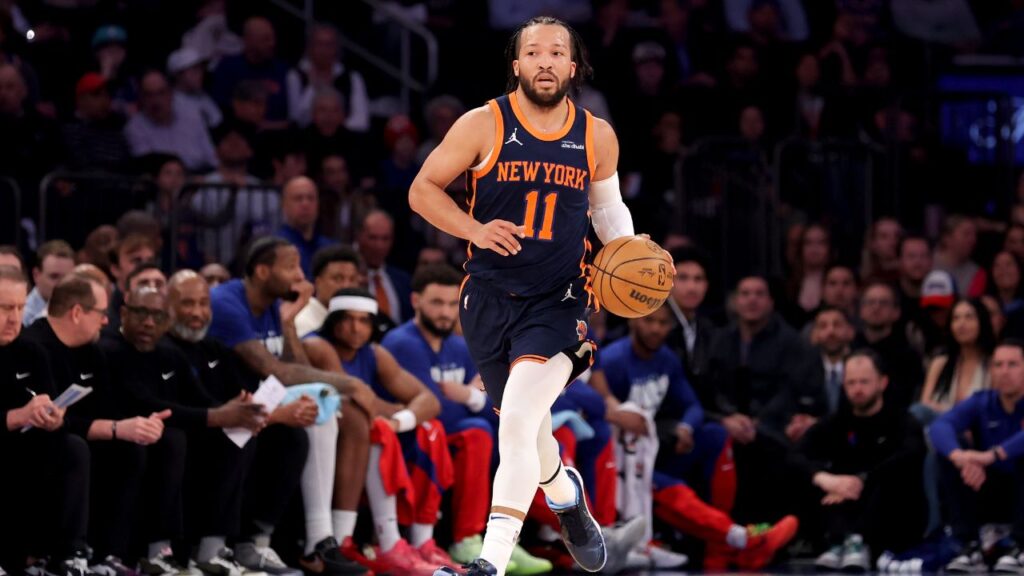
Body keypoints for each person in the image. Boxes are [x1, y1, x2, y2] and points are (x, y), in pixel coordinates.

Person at [410, 15, 644, 575]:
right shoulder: (482, 123)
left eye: (556, 52)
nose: (545, 61)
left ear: (572, 65)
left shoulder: (597, 134)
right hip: (487, 299)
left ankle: (487, 564)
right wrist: (473, 230)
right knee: (528, 428)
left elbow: (607, 211)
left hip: (560, 302)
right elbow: (422, 190)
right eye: (533, 52)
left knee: (515, 420)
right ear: (516, 65)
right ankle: (565, 495)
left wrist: (632, 252)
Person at [206, 236, 373, 575]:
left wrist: (288, 320)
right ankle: (309, 540)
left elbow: (293, 370)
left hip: (260, 401)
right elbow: (275, 370)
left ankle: (313, 540)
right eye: (291, 266)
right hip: (222, 402)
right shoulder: (227, 302)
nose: (301, 275)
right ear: (263, 271)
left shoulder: (271, 305)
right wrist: (348, 383)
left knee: (315, 410)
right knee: (302, 416)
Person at [590, 303, 798, 570]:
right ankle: (738, 539)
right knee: (667, 486)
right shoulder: (614, 360)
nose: (656, 329)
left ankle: (720, 545)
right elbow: (601, 409)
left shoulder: (666, 359)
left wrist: (686, 427)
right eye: (649, 321)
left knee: (715, 435)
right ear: (633, 322)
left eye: (663, 323)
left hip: (654, 446)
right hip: (622, 460)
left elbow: (693, 405)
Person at [379, 265, 551, 570]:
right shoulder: (402, 343)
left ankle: (500, 541)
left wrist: (469, 396)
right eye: (436, 303)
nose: (445, 313)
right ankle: (466, 538)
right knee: (476, 432)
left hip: (450, 437)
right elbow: (434, 408)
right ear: (415, 301)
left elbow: (497, 406)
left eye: (450, 304)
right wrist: (470, 399)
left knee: (507, 432)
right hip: (412, 439)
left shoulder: (460, 345)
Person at [101, 285, 276, 574]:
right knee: (173, 440)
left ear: (166, 322)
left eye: (157, 316)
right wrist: (218, 416)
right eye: (141, 313)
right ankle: (157, 553)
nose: (148, 322)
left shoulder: (169, 355)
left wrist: (237, 413)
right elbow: (144, 402)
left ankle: (212, 550)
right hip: (124, 436)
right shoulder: (111, 349)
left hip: (171, 438)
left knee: (235, 437)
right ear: (123, 313)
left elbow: (199, 399)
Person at [22, 274, 178, 572]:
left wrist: (137, 425)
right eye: (101, 313)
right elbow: (53, 421)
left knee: (133, 448)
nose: (106, 322)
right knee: (73, 447)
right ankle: (65, 553)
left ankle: (111, 554)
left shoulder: (92, 350)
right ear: (77, 312)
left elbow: (107, 408)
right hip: (40, 441)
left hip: (78, 437)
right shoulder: (35, 346)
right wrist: (115, 428)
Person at [166, 270, 311, 574]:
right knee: (231, 436)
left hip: (218, 428)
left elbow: (244, 395)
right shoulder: (162, 349)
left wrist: (268, 411)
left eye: (204, 304)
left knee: (290, 438)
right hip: (180, 435)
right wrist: (235, 414)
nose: (197, 313)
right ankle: (209, 551)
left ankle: (255, 542)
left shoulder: (214, 348)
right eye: (187, 303)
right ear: (167, 305)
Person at [304, 289, 444, 574]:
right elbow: (357, 400)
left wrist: (398, 419)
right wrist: (392, 411)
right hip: (321, 435)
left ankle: (422, 540)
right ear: (333, 321)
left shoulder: (374, 353)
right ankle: (374, 540)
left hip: (357, 439)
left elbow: (429, 401)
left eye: (364, 321)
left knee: (431, 428)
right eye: (348, 320)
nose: (356, 328)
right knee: (376, 428)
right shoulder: (318, 346)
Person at [793, 351, 927, 571]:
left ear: (882, 383)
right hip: (843, 505)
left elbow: (911, 454)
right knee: (817, 478)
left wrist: (862, 480)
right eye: (851, 383)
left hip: (892, 515)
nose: (857, 389)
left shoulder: (902, 420)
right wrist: (826, 479)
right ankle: (838, 542)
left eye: (864, 382)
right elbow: (796, 455)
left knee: (891, 476)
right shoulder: (837, 422)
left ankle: (857, 541)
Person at [0, 265, 92, 575]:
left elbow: (53, 406)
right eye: (4, 308)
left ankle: (64, 554)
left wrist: (55, 419)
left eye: (20, 307)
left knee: (71, 447)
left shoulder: (32, 350)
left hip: (30, 444)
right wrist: (16, 417)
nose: (14, 317)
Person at [929, 340, 1024, 573]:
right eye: (998, 365)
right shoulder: (983, 401)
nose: (1004, 371)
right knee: (948, 452)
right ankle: (969, 545)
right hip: (989, 488)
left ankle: (1021, 546)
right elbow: (940, 426)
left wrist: (993, 455)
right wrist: (959, 457)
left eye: (1012, 364)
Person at [916, 298, 995, 423]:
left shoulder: (995, 364)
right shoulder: (939, 363)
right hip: (936, 432)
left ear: (982, 321)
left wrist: (945, 411)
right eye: (956, 318)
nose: (961, 324)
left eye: (969, 317)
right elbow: (924, 406)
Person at [852, 281, 924, 414]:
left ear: (896, 312)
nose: (876, 307)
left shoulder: (908, 356)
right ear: (861, 311)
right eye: (870, 302)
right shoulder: (850, 349)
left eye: (883, 303)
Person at [665, 246, 717, 407]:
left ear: (706, 285)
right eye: (683, 278)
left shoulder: (709, 328)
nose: (691, 287)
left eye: (698, 279)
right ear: (667, 281)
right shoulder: (655, 323)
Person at [357, 210, 412, 327]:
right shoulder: (349, 278)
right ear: (360, 237)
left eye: (385, 238)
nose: (379, 245)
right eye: (373, 238)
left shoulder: (403, 280)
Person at [296, 245, 363, 337]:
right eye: (338, 279)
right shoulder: (303, 320)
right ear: (318, 282)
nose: (346, 286)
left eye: (352, 279)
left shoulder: (361, 321)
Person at [278, 176, 337, 278]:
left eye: (310, 198)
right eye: (298, 198)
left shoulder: (332, 249)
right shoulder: (275, 247)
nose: (305, 204)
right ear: (284, 205)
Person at [24, 239, 75, 326]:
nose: (61, 284)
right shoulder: (22, 317)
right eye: (54, 276)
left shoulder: (79, 310)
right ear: (36, 275)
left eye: (67, 278)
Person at [935, 215, 986, 298]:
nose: (973, 240)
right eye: (966, 234)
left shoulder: (976, 273)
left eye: (974, 235)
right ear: (947, 238)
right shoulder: (926, 263)